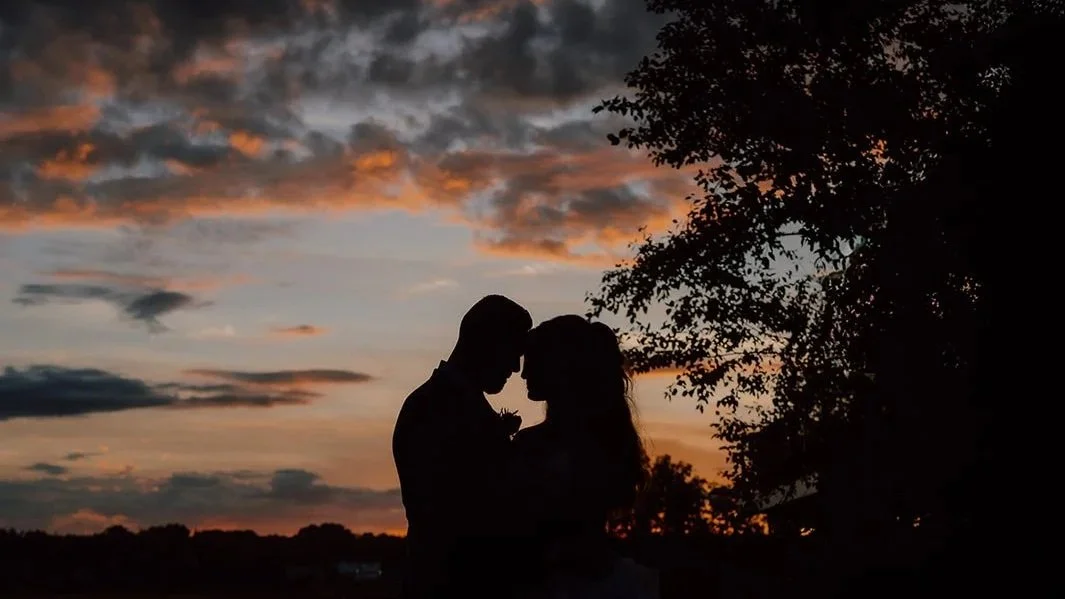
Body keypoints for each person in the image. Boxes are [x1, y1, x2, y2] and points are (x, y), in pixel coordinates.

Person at [506, 314, 659, 599]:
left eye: (533, 362)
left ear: (559, 366)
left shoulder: (535, 445)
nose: (524, 374)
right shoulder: (604, 441)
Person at [391, 294, 532, 599]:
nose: (516, 368)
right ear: (486, 342)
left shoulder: (445, 404)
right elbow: (450, 512)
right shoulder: (432, 408)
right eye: (512, 352)